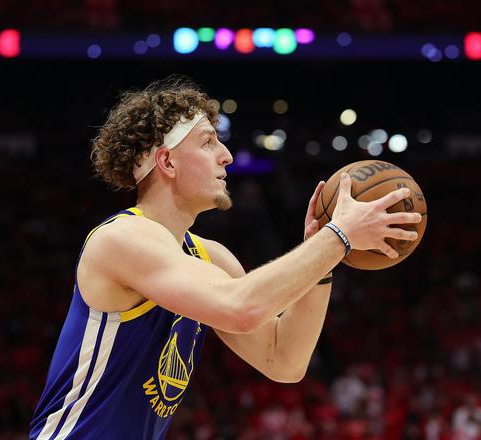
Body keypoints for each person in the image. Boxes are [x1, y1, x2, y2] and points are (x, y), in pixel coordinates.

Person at [29, 76, 422, 439]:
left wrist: (322, 255)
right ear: (167, 162)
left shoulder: (210, 257)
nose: (227, 156)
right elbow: (240, 308)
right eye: (208, 142)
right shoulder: (121, 238)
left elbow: (284, 360)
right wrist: (338, 238)